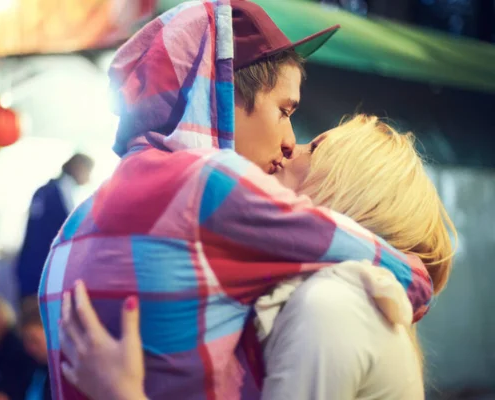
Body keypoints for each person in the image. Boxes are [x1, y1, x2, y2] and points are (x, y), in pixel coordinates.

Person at [39, 1, 433, 399]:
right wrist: (415, 275)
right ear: (221, 92)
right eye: (284, 110)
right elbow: (406, 275)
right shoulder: (210, 185)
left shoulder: (74, 225)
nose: (287, 143)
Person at [58, 115, 455, 399]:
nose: (290, 146)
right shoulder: (344, 297)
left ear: (351, 186)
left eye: (313, 148)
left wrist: (121, 392)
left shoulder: (334, 305)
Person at [16, 154, 94, 300]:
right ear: (79, 168)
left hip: (30, 265)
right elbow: (72, 229)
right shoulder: (62, 191)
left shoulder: (45, 190)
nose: (89, 178)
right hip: (44, 265)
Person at [19, 297, 52, 400]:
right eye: (26, 342)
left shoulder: (68, 375)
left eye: (34, 340)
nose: (30, 348)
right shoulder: (34, 370)